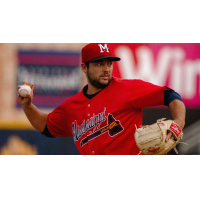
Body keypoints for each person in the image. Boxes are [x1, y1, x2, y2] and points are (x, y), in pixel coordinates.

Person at [17, 43, 186, 155]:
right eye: (99, 64)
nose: (106, 69)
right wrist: (27, 106)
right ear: (84, 67)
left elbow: (170, 95)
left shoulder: (128, 89)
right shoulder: (71, 106)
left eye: (109, 63)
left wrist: (178, 122)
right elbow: (46, 127)